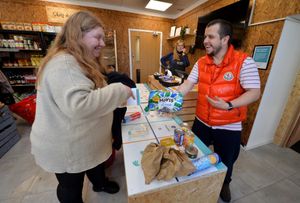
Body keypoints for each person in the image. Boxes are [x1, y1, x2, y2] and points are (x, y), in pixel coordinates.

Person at [30, 11, 133, 203]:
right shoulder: (64, 64)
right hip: (65, 146)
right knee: (70, 186)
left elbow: (92, 91)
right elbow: (80, 105)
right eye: (98, 37)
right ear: (78, 35)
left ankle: (100, 183)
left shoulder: (79, 60)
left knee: (95, 165)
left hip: (85, 141)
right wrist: (119, 90)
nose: (102, 43)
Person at [177, 19, 261, 202]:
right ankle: (195, 179)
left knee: (226, 161)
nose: (205, 40)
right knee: (194, 153)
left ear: (225, 39)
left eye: (210, 36)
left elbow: (254, 92)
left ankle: (225, 183)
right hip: (201, 121)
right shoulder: (201, 62)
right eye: (205, 36)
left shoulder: (244, 62)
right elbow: (188, 84)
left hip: (229, 125)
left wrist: (228, 105)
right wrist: (173, 98)